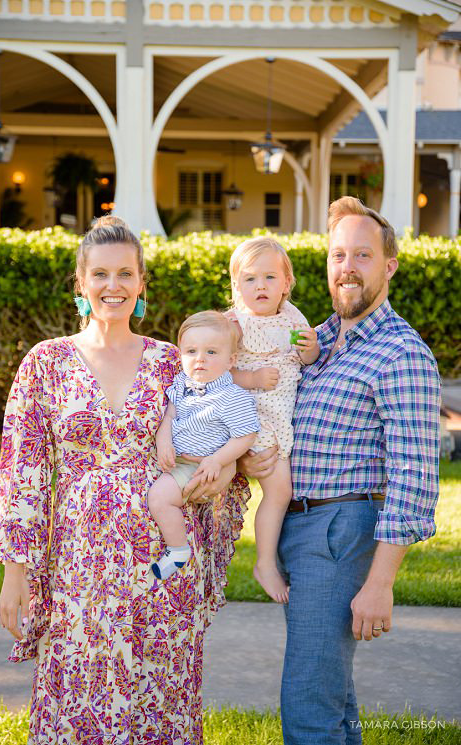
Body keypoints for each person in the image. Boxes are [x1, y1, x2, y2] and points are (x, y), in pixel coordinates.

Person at [0, 215, 251, 743]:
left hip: (161, 554)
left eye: (125, 274)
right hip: (81, 558)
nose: (114, 286)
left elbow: (225, 425)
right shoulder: (47, 363)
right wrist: (16, 570)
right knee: (78, 683)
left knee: (161, 688)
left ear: (142, 284)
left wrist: (220, 474)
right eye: (101, 275)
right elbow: (22, 471)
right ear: (80, 283)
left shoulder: (171, 362)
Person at [240, 197, 441, 745]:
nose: (347, 267)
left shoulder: (402, 354)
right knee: (333, 696)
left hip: (341, 532)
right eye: (336, 256)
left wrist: (380, 584)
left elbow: (415, 478)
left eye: (362, 255)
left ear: (389, 265)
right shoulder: (316, 341)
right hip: (298, 529)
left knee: (308, 697)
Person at [224, 237, 319, 602]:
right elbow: (211, 372)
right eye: (249, 279)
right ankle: (264, 562)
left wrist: (310, 349)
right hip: (251, 415)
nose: (260, 286)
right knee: (280, 491)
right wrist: (250, 379)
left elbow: (307, 359)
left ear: (286, 283)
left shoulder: (293, 317)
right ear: (236, 287)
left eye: (268, 278)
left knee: (278, 490)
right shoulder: (234, 325)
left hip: (279, 415)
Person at [149, 311, 259, 579]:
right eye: (191, 351)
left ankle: (177, 550)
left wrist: (217, 460)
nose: (200, 358)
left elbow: (246, 435)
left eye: (211, 352)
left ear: (231, 360)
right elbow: (170, 414)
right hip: (176, 458)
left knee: (159, 498)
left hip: (197, 464)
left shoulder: (232, 396)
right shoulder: (182, 384)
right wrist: (163, 440)